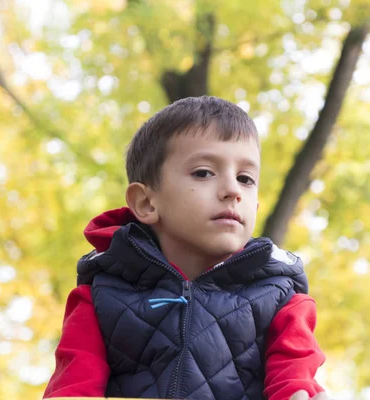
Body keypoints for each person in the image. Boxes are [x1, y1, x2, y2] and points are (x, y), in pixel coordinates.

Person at [43, 96, 327, 400]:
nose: (233, 190)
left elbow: (294, 376)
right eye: (204, 172)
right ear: (147, 202)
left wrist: (298, 393)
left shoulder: (281, 298)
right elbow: (73, 388)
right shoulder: (100, 297)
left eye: (246, 179)